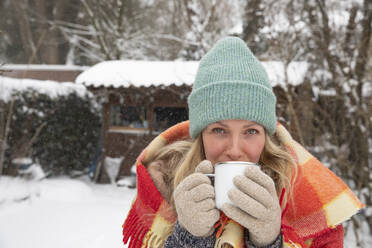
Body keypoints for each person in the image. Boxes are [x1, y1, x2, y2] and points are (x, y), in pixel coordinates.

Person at [122, 37, 363, 248]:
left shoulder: (302, 194)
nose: (235, 150)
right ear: (200, 136)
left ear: (266, 136)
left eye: (250, 131)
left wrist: (269, 242)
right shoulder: (162, 185)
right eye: (218, 130)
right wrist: (188, 239)